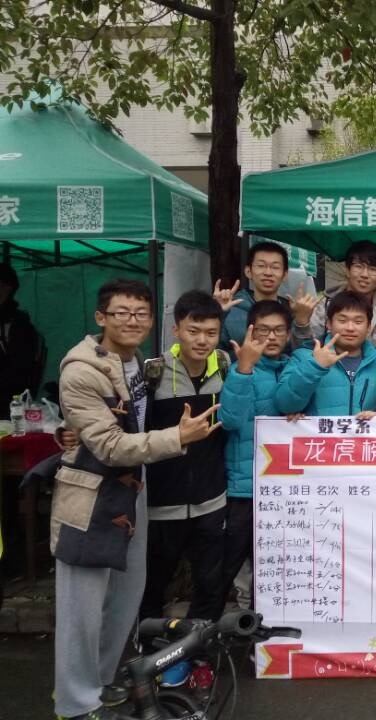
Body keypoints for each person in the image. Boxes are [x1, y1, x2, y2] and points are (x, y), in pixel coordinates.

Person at [52, 279, 220, 720]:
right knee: (83, 609)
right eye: (122, 312)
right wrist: (177, 437)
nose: (132, 320)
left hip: (132, 493)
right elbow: (109, 445)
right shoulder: (82, 369)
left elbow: (113, 425)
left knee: (123, 598)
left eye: (141, 313)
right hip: (91, 498)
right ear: (100, 317)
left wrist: (67, 432)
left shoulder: (137, 365)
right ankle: (74, 703)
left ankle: (101, 682)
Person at [139, 291, 230, 686]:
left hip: (212, 499)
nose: (202, 340)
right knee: (152, 585)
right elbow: (134, 433)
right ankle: (151, 657)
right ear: (176, 329)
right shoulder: (153, 374)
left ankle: (197, 657)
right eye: (194, 330)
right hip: (162, 503)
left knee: (210, 586)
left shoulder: (225, 366)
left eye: (210, 332)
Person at [217, 300, 292, 615]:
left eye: (278, 330)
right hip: (244, 488)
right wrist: (244, 369)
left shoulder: (294, 369)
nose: (271, 337)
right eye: (263, 330)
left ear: (289, 335)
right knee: (229, 565)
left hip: (287, 489)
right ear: (250, 332)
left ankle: (265, 628)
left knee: (279, 563)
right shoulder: (238, 370)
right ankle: (208, 630)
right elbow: (229, 421)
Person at [290, 240, 376, 368]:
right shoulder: (323, 307)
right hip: (326, 378)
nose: (364, 274)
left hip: (372, 380)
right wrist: (301, 322)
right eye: (358, 266)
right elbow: (302, 355)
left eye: (373, 269)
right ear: (347, 270)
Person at [275, 291, 376, 417]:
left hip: (360, 431)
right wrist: (314, 367)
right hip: (319, 431)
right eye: (342, 320)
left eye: (358, 322)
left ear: (368, 327)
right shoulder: (305, 356)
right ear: (329, 324)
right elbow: (284, 405)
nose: (350, 328)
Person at [214, 241, 291, 355]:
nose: (268, 272)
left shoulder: (291, 312)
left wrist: (302, 323)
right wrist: (216, 314)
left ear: (285, 275)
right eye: (261, 266)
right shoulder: (230, 310)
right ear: (248, 271)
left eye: (275, 267)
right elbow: (212, 353)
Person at [0, 261, 43, 416]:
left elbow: (20, 371)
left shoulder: (20, 325)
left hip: (9, 406)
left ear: (10, 289)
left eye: (3, 286)